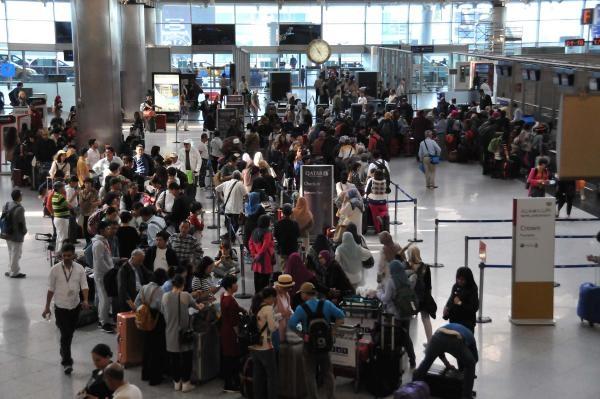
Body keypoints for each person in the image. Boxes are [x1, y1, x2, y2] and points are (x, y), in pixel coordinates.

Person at [288, 282, 345, 399]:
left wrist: (302, 335)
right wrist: (333, 331)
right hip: (325, 345)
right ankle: (330, 396)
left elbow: (292, 324)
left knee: (310, 374)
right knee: (328, 373)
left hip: (309, 346)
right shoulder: (327, 304)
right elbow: (341, 316)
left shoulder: (301, 309)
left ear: (304, 294)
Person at [42, 243, 90, 374]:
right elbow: (50, 290)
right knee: (65, 334)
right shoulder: (55, 270)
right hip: (61, 307)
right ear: (61, 255)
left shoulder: (80, 268)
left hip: (75, 306)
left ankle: (63, 351)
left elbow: (84, 286)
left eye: (69, 255)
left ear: (74, 255)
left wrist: (85, 300)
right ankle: (67, 362)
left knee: (69, 333)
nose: (67, 258)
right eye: (64, 255)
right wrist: (46, 307)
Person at [161, 274, 204, 392]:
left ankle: (176, 382)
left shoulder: (164, 296)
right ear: (183, 285)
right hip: (184, 333)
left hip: (170, 332)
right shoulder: (185, 295)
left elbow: (163, 311)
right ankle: (186, 383)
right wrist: (201, 305)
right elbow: (197, 307)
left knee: (174, 359)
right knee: (186, 358)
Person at [413, 323, 478, 399]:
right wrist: (467, 373)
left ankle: (412, 389)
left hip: (437, 337)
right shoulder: (471, 339)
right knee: (471, 364)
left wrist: (447, 364)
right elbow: (474, 359)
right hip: (455, 340)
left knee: (426, 362)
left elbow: (440, 350)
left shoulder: (459, 329)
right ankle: (466, 396)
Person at [376, 259, 417, 368]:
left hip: (395, 314)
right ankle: (412, 358)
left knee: (395, 336)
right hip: (407, 313)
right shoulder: (406, 279)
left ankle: (393, 361)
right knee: (406, 336)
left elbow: (385, 298)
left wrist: (378, 293)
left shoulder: (391, 281)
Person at [135, 268, 168, 386]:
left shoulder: (143, 287)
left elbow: (136, 303)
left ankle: (145, 374)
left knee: (147, 347)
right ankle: (155, 378)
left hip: (144, 320)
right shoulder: (160, 291)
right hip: (156, 321)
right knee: (157, 350)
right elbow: (163, 308)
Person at [249, 287, 279, 399]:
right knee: (272, 376)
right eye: (274, 298)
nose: (274, 301)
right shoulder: (268, 308)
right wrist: (277, 322)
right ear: (270, 297)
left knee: (257, 375)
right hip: (266, 345)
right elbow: (272, 327)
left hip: (254, 345)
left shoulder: (254, 306)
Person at [92, 221, 118, 333]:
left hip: (108, 274)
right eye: (108, 228)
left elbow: (107, 258)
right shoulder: (98, 244)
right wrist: (110, 270)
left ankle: (105, 319)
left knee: (107, 299)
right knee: (104, 299)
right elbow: (99, 262)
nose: (111, 231)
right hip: (103, 275)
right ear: (102, 231)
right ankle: (102, 323)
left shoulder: (104, 241)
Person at [220, 275, 245, 392]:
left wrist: (241, 309)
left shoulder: (224, 296)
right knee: (232, 358)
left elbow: (233, 308)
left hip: (224, 330)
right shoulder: (231, 301)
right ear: (230, 286)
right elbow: (234, 322)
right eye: (235, 283)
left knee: (227, 357)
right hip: (231, 332)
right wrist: (238, 335)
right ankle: (229, 384)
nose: (237, 285)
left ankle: (229, 382)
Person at [443, 267, 479, 332]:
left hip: (467, 324)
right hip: (454, 321)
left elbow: (474, 307)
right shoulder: (455, 286)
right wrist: (447, 308)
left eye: (462, 280)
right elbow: (451, 299)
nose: (459, 281)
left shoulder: (472, 289)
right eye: (458, 279)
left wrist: (460, 303)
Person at [215, 170, 246, 243]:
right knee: (237, 224)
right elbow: (246, 195)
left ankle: (229, 237)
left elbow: (217, 189)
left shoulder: (226, 183)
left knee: (229, 224)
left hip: (227, 208)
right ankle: (229, 237)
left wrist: (221, 198)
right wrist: (244, 201)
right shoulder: (240, 184)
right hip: (237, 209)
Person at [2, 189, 27, 278]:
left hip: (6, 232)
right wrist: (24, 231)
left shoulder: (6, 204)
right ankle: (14, 272)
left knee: (10, 252)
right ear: (19, 197)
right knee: (16, 253)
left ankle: (11, 270)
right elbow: (22, 222)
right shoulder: (20, 208)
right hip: (16, 234)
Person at [249, 215, 275, 293]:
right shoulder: (267, 233)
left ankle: (257, 294)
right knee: (265, 279)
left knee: (256, 277)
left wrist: (254, 254)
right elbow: (265, 246)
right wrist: (259, 254)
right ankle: (263, 296)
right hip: (265, 259)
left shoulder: (254, 231)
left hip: (256, 259)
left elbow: (250, 242)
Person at [117, 249, 149, 313]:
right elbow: (122, 290)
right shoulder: (123, 270)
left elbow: (149, 275)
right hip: (130, 300)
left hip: (140, 296)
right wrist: (132, 304)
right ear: (132, 258)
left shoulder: (139, 265)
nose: (141, 263)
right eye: (139, 261)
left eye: (142, 261)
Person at [273, 204, 301, 268]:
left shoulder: (278, 224)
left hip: (283, 248)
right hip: (293, 248)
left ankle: (285, 277)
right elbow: (298, 234)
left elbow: (275, 235)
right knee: (293, 266)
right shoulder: (295, 224)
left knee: (284, 266)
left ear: (282, 212)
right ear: (291, 213)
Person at [365, 169, 389, 233]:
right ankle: (381, 216)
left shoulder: (372, 180)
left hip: (373, 202)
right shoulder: (384, 181)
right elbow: (387, 190)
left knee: (374, 217)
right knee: (385, 211)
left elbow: (367, 191)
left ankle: (378, 231)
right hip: (382, 201)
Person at [273, 274, 294, 346]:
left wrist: (292, 313)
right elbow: (268, 317)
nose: (289, 290)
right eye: (286, 288)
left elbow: (289, 308)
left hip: (285, 332)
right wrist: (283, 314)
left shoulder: (286, 294)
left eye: (289, 288)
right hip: (275, 333)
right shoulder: (272, 296)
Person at [51, 181, 72, 252]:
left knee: (59, 237)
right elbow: (69, 206)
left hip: (57, 218)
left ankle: (57, 252)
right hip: (62, 219)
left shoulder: (55, 195)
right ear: (59, 188)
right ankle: (61, 254)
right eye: (63, 187)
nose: (64, 188)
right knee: (63, 238)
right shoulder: (60, 197)